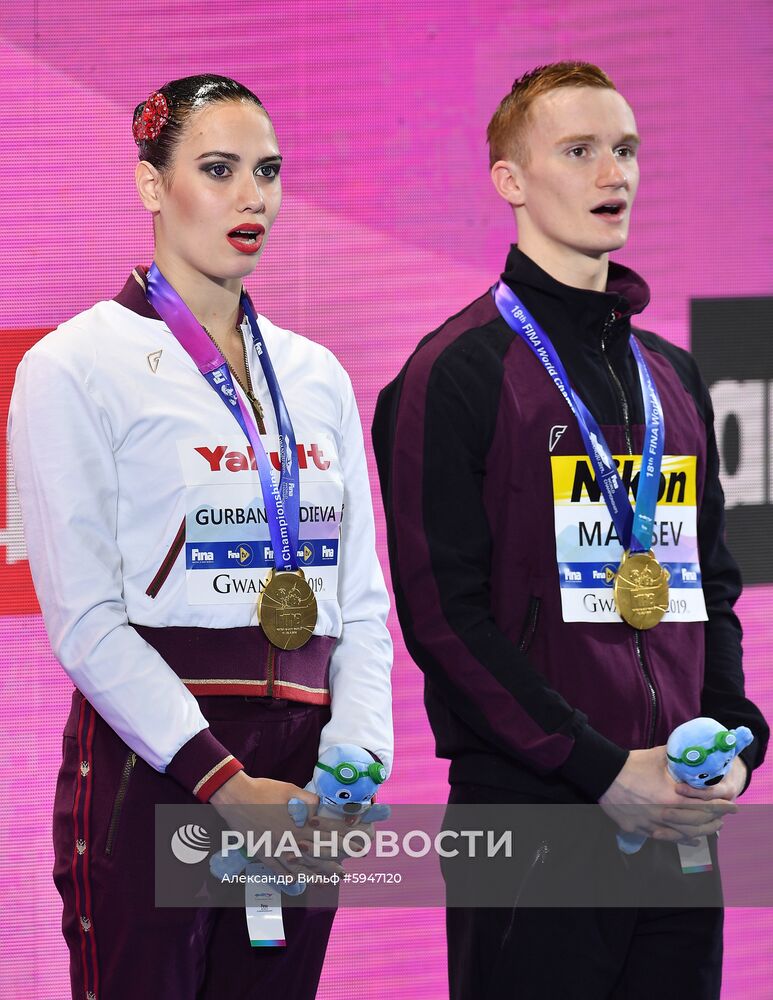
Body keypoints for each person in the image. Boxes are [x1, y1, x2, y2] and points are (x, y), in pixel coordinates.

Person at [372, 61, 768, 999]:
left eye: (625, 150)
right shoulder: (452, 373)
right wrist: (595, 768)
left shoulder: (670, 374)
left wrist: (731, 732)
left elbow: (705, 585)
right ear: (510, 181)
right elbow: (443, 621)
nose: (612, 175)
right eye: (580, 151)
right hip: (532, 821)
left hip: (674, 819)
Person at [9, 74, 393, 1000]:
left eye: (266, 171)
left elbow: (362, 603)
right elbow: (86, 619)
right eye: (217, 169)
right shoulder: (71, 365)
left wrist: (356, 756)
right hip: (160, 772)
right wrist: (222, 783)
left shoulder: (317, 374)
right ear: (151, 185)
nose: (251, 196)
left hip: (301, 781)